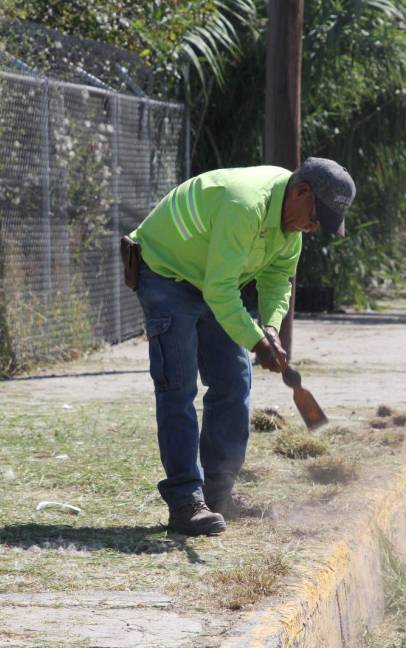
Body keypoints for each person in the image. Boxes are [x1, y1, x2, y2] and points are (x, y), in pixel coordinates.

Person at [125, 158, 356, 536]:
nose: (314, 228)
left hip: (211, 281)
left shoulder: (289, 226)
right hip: (166, 273)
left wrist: (270, 329)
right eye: (316, 217)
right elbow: (220, 290)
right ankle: (186, 502)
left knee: (234, 380)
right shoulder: (245, 205)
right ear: (301, 192)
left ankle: (218, 496)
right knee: (178, 389)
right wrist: (256, 343)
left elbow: (279, 277)